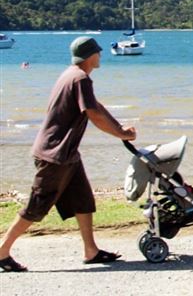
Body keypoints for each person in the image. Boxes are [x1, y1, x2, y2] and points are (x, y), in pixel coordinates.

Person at [0, 37, 137, 273]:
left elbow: (95, 105)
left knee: (83, 200)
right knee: (37, 206)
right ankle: (2, 251)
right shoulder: (80, 78)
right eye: (98, 52)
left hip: (67, 154)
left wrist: (121, 129)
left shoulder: (72, 75)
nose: (101, 55)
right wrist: (120, 134)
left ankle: (90, 251)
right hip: (56, 154)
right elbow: (93, 114)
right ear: (90, 56)